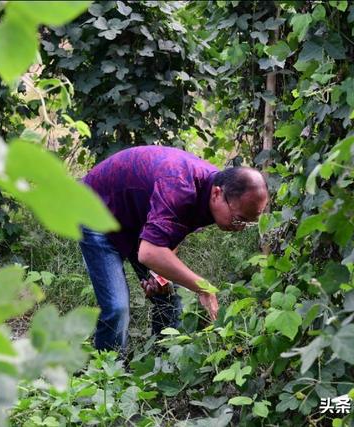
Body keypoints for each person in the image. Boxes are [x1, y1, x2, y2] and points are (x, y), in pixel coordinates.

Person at [80, 146, 269, 355]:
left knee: (169, 295)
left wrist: (157, 274)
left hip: (138, 219)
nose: (240, 227)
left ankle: (161, 366)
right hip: (96, 209)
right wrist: (203, 287)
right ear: (217, 194)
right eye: (239, 218)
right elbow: (149, 252)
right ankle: (106, 375)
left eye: (248, 223)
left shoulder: (213, 188)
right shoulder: (180, 186)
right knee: (117, 308)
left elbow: (171, 231)